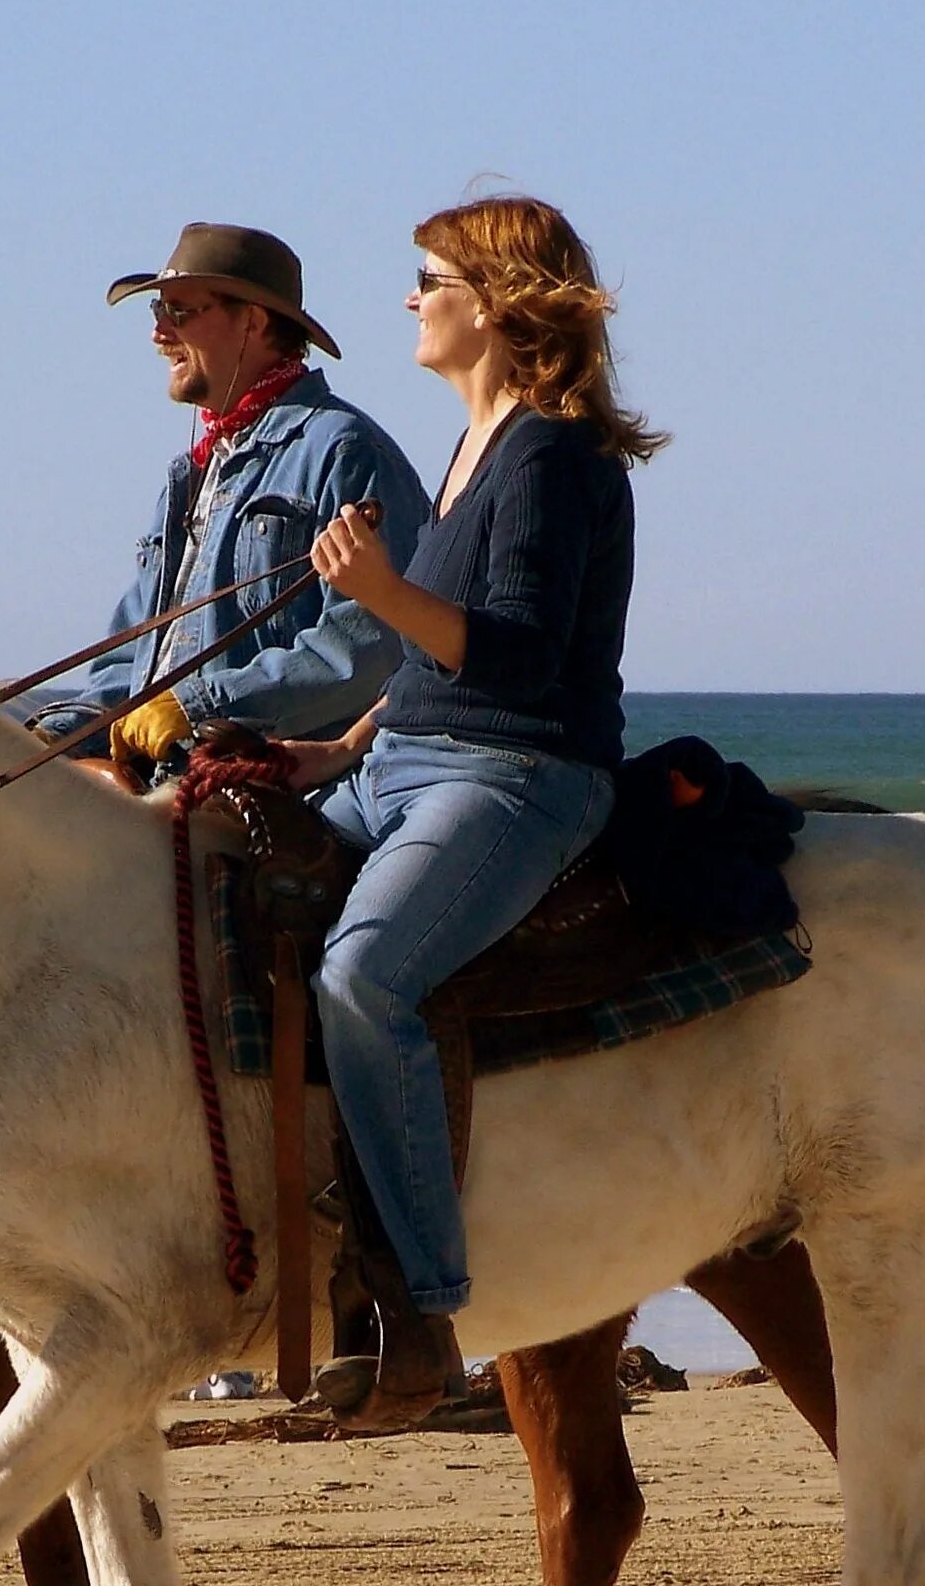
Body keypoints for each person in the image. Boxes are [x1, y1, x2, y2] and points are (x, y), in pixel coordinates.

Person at [285, 195, 667, 1424]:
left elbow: (513, 660)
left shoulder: (553, 456)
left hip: (518, 777)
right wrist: (330, 749)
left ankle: (425, 1310)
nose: (408, 299)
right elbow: (429, 673)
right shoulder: (467, 452)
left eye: (428, 278)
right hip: (404, 762)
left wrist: (381, 590)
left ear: (497, 301)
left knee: (364, 980)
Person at [40, 224, 427, 781]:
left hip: (278, 792)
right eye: (157, 312)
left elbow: (372, 648)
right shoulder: (192, 474)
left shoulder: (344, 450)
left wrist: (199, 706)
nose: (158, 333)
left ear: (253, 320)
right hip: (167, 781)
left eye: (179, 312)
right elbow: (129, 658)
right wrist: (51, 739)